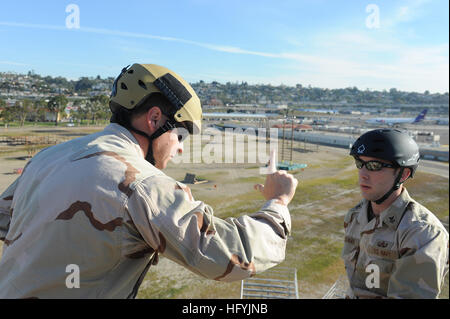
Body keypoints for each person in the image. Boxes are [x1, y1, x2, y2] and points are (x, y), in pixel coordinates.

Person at [0, 63, 298, 298]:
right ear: (154, 119)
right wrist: (278, 202)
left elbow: (6, 219)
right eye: (180, 135)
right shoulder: (141, 185)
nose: (180, 147)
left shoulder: (47, 157)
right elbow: (230, 256)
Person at [342, 128, 449, 299]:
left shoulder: (422, 233)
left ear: (403, 174)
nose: (362, 174)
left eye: (374, 166)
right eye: (359, 163)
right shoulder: (355, 217)